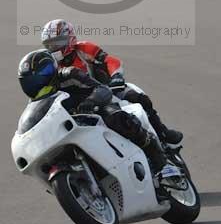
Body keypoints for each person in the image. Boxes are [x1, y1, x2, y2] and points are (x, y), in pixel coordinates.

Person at [17, 49, 173, 177]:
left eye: (44, 73)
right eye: (32, 81)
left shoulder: (70, 74)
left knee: (115, 117)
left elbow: (101, 89)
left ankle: (159, 160)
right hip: (71, 126)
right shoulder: (36, 103)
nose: (39, 81)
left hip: (97, 108)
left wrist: (90, 102)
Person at [40, 19, 183, 146]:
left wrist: (116, 76)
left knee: (137, 97)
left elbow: (110, 61)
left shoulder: (84, 48)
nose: (54, 48)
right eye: (50, 45)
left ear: (69, 38)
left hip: (106, 90)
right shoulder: (51, 64)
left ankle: (162, 132)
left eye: (57, 42)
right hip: (80, 104)